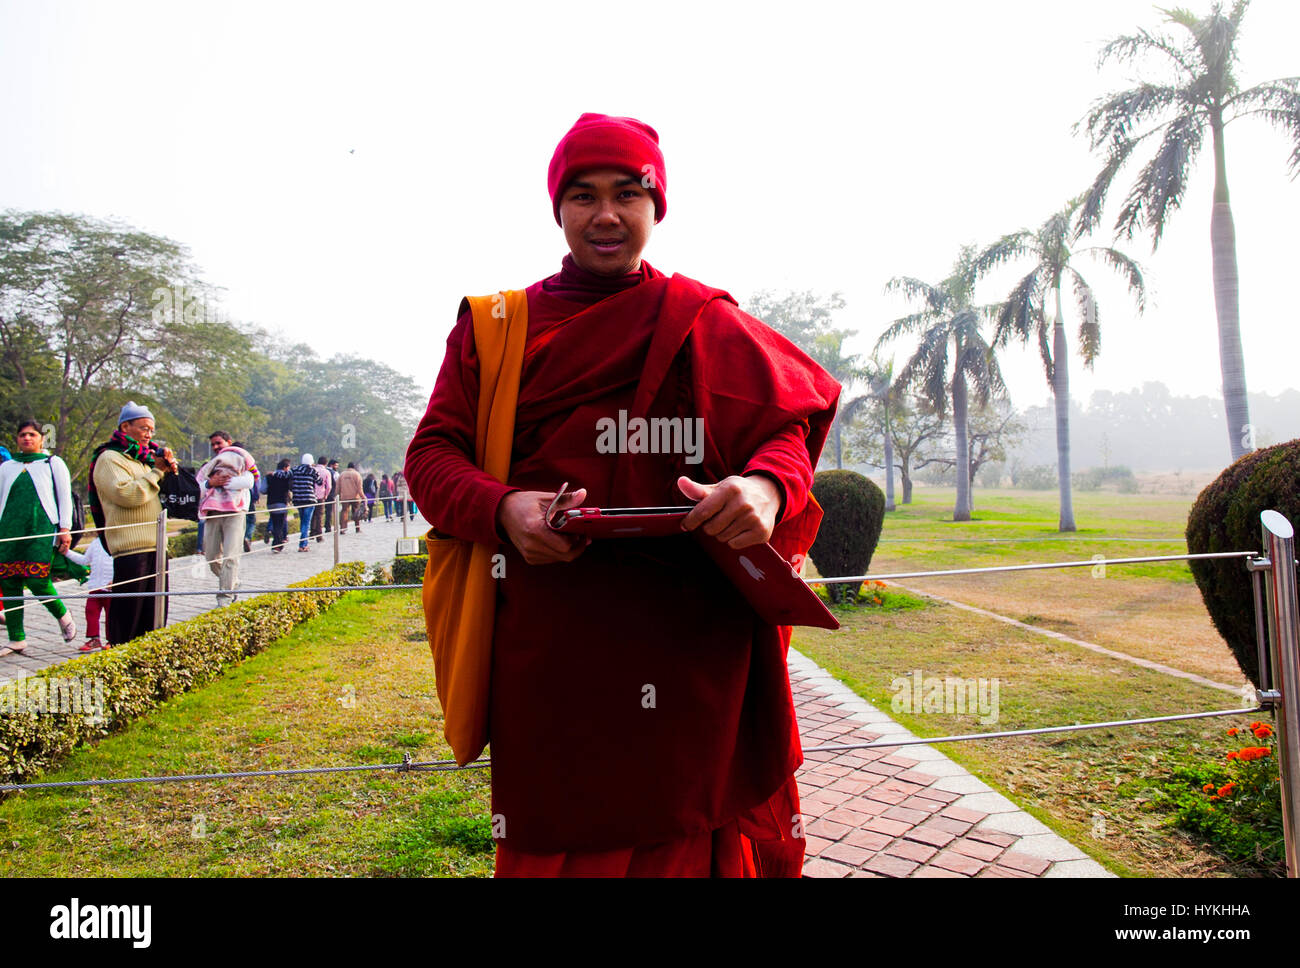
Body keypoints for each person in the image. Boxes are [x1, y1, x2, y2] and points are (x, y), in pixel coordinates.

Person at [405, 113, 839, 878]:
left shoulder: (702, 320)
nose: (606, 215)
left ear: (656, 207)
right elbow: (433, 455)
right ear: (558, 209)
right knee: (556, 837)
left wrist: (768, 488)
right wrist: (505, 509)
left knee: (690, 829)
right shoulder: (495, 328)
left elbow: (790, 422)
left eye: (627, 194)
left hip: (691, 641)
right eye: (583, 195)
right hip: (555, 641)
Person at [88, 401, 180, 646]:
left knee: (154, 616)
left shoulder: (144, 459)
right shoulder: (110, 458)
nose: (149, 434)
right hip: (131, 548)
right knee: (128, 616)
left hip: (156, 546)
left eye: (151, 430)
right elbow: (128, 496)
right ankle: (120, 658)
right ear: (125, 426)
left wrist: (168, 470)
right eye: (143, 428)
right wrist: (157, 473)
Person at [0, 420, 79, 654]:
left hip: (41, 530)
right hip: (9, 531)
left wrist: (65, 529)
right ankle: (17, 638)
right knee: (9, 581)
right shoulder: (7, 467)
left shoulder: (52, 463)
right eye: (22, 435)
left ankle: (63, 616)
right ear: (17, 439)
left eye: (32, 434)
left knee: (37, 580)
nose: (27, 438)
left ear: (41, 439)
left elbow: (65, 498)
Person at [196, 432, 257, 607]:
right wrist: (211, 483)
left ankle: (224, 599)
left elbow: (250, 481)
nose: (216, 447)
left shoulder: (242, 461)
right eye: (213, 445)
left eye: (219, 443)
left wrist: (228, 481)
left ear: (228, 443)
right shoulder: (210, 467)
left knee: (231, 556)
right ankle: (234, 583)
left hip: (235, 512)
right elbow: (197, 487)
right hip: (213, 512)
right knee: (212, 557)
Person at [63, 528, 113, 651]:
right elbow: (84, 560)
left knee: (111, 615)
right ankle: (94, 639)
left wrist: (117, 580)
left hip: (111, 588)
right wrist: (67, 553)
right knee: (91, 611)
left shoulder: (116, 542)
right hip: (95, 586)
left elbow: (122, 562)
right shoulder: (95, 543)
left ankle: (112, 640)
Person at [290, 454, 323, 552]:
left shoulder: (294, 470)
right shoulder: (313, 470)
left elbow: (287, 476)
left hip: (298, 499)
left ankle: (303, 541)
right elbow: (320, 482)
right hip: (309, 499)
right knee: (306, 522)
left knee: (303, 521)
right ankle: (303, 545)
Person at [264, 459, 294, 553]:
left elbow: (262, 489)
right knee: (279, 525)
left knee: (274, 521)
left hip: (270, 503)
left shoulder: (269, 476)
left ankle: (271, 533)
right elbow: (291, 487)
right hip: (281, 502)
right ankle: (277, 545)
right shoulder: (286, 476)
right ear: (285, 467)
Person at [338, 462, 365, 534]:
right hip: (355, 497)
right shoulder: (357, 474)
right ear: (354, 467)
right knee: (356, 511)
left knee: (344, 511)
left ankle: (342, 529)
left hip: (344, 496)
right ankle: (357, 528)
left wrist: (336, 495)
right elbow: (360, 488)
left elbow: (338, 487)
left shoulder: (342, 474)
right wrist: (363, 497)